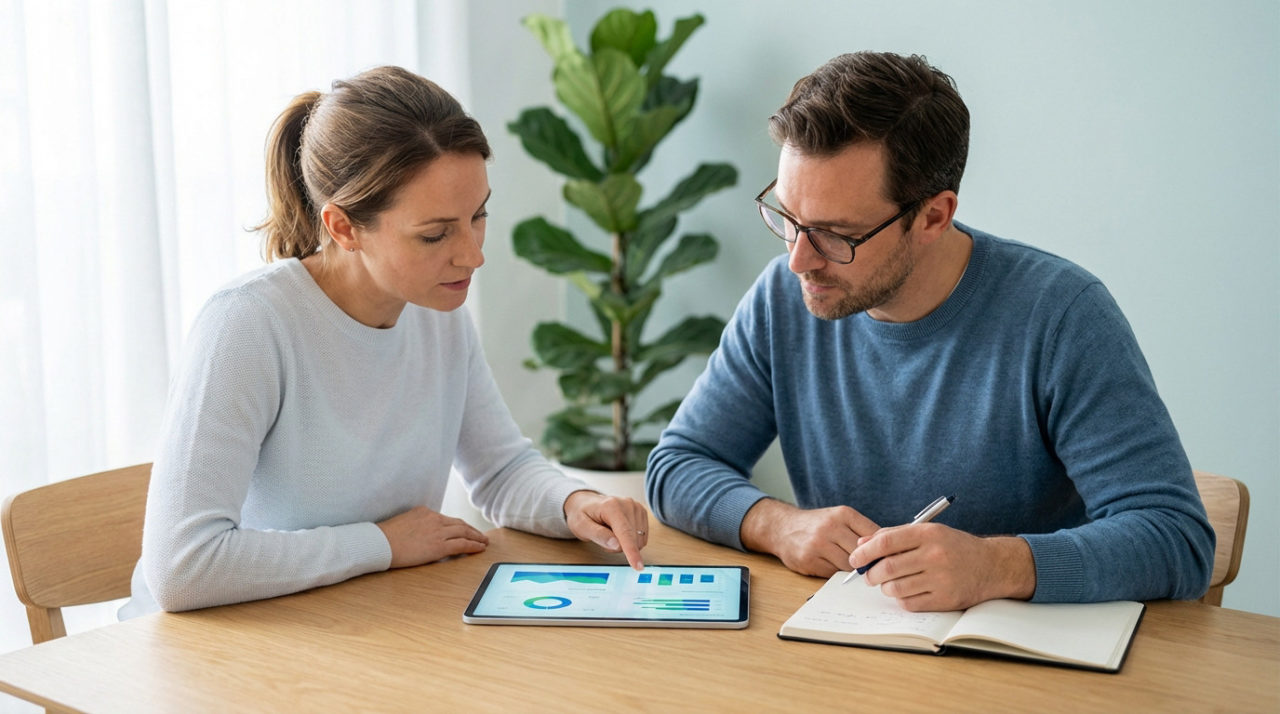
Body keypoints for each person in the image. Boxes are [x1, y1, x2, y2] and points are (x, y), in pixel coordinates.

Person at [646, 51, 1213, 612]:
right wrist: (777, 525)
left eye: (836, 235)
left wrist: (998, 566)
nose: (799, 260)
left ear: (934, 217)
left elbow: (1177, 539)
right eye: (788, 219)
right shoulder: (783, 298)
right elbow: (677, 466)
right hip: (839, 654)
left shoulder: (1062, 315)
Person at [123, 66, 648, 615]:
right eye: (435, 233)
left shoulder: (435, 308)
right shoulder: (248, 325)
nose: (473, 255)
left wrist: (576, 502)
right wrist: (383, 544)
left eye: (479, 214)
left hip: (357, 625)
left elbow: (500, 471)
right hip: (217, 650)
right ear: (344, 227)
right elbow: (182, 567)